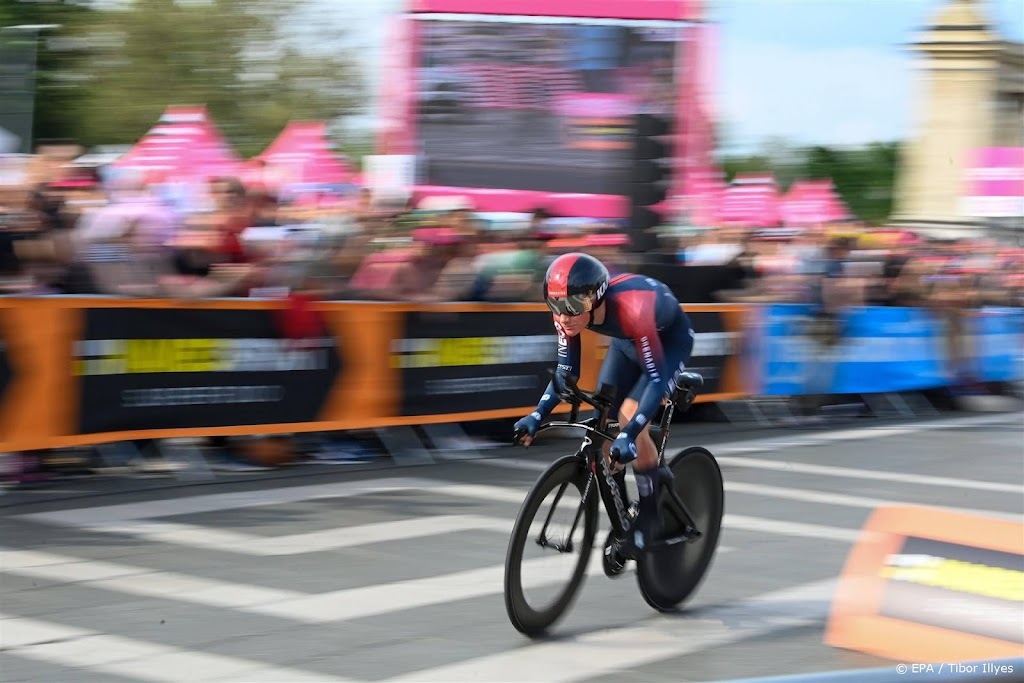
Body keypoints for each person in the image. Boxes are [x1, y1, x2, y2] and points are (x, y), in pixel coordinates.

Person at [514, 252, 695, 566]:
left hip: (667, 342)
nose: (564, 316)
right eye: (556, 306)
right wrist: (537, 415)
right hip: (627, 342)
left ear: (594, 299)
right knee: (603, 421)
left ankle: (649, 517)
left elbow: (654, 379)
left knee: (628, 417)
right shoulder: (567, 311)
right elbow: (565, 374)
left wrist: (631, 432)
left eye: (572, 308)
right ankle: (623, 516)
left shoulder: (633, 307)